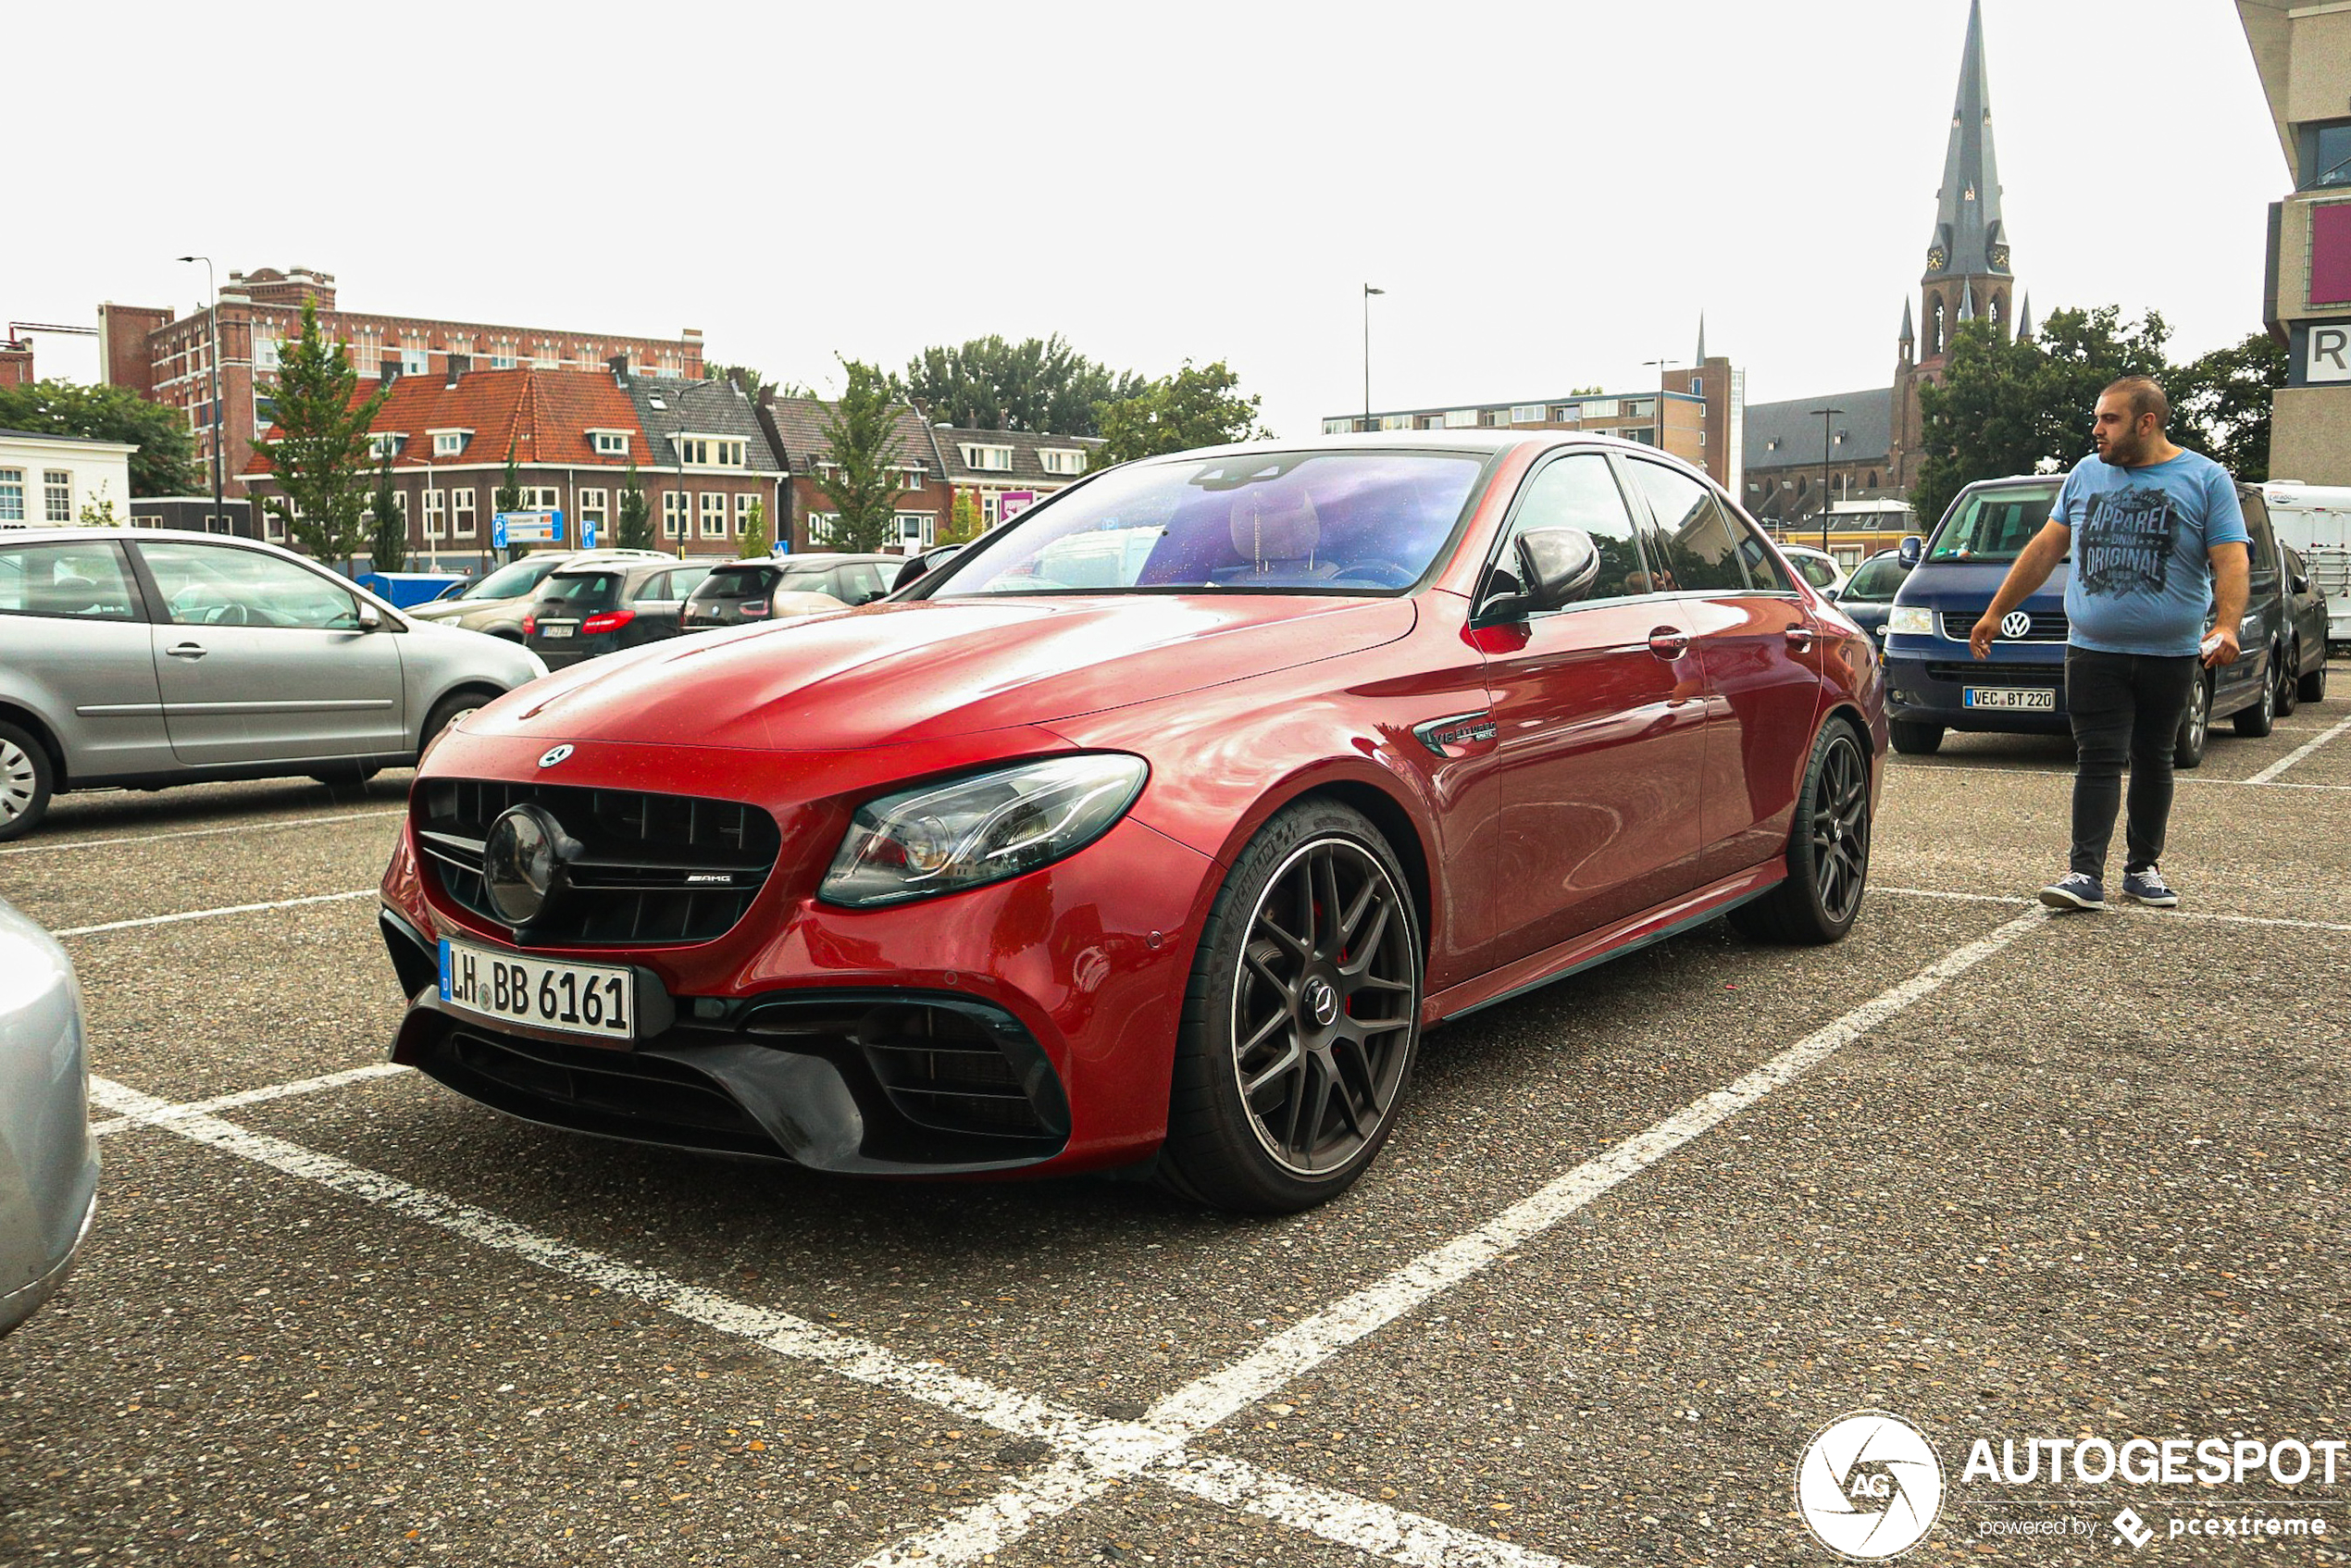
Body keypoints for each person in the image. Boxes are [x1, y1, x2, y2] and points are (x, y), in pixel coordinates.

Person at [1967, 375, 2248, 913]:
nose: (2096, 430)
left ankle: (2143, 868)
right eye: (2097, 418)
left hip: (2170, 652)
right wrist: (1996, 611)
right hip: (2093, 649)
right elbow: (2047, 546)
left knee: (2154, 758)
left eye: (2109, 420)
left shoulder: (2206, 478)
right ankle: (2083, 874)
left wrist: (2228, 626)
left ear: (2147, 423)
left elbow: (2231, 557)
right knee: (2097, 757)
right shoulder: (2085, 475)